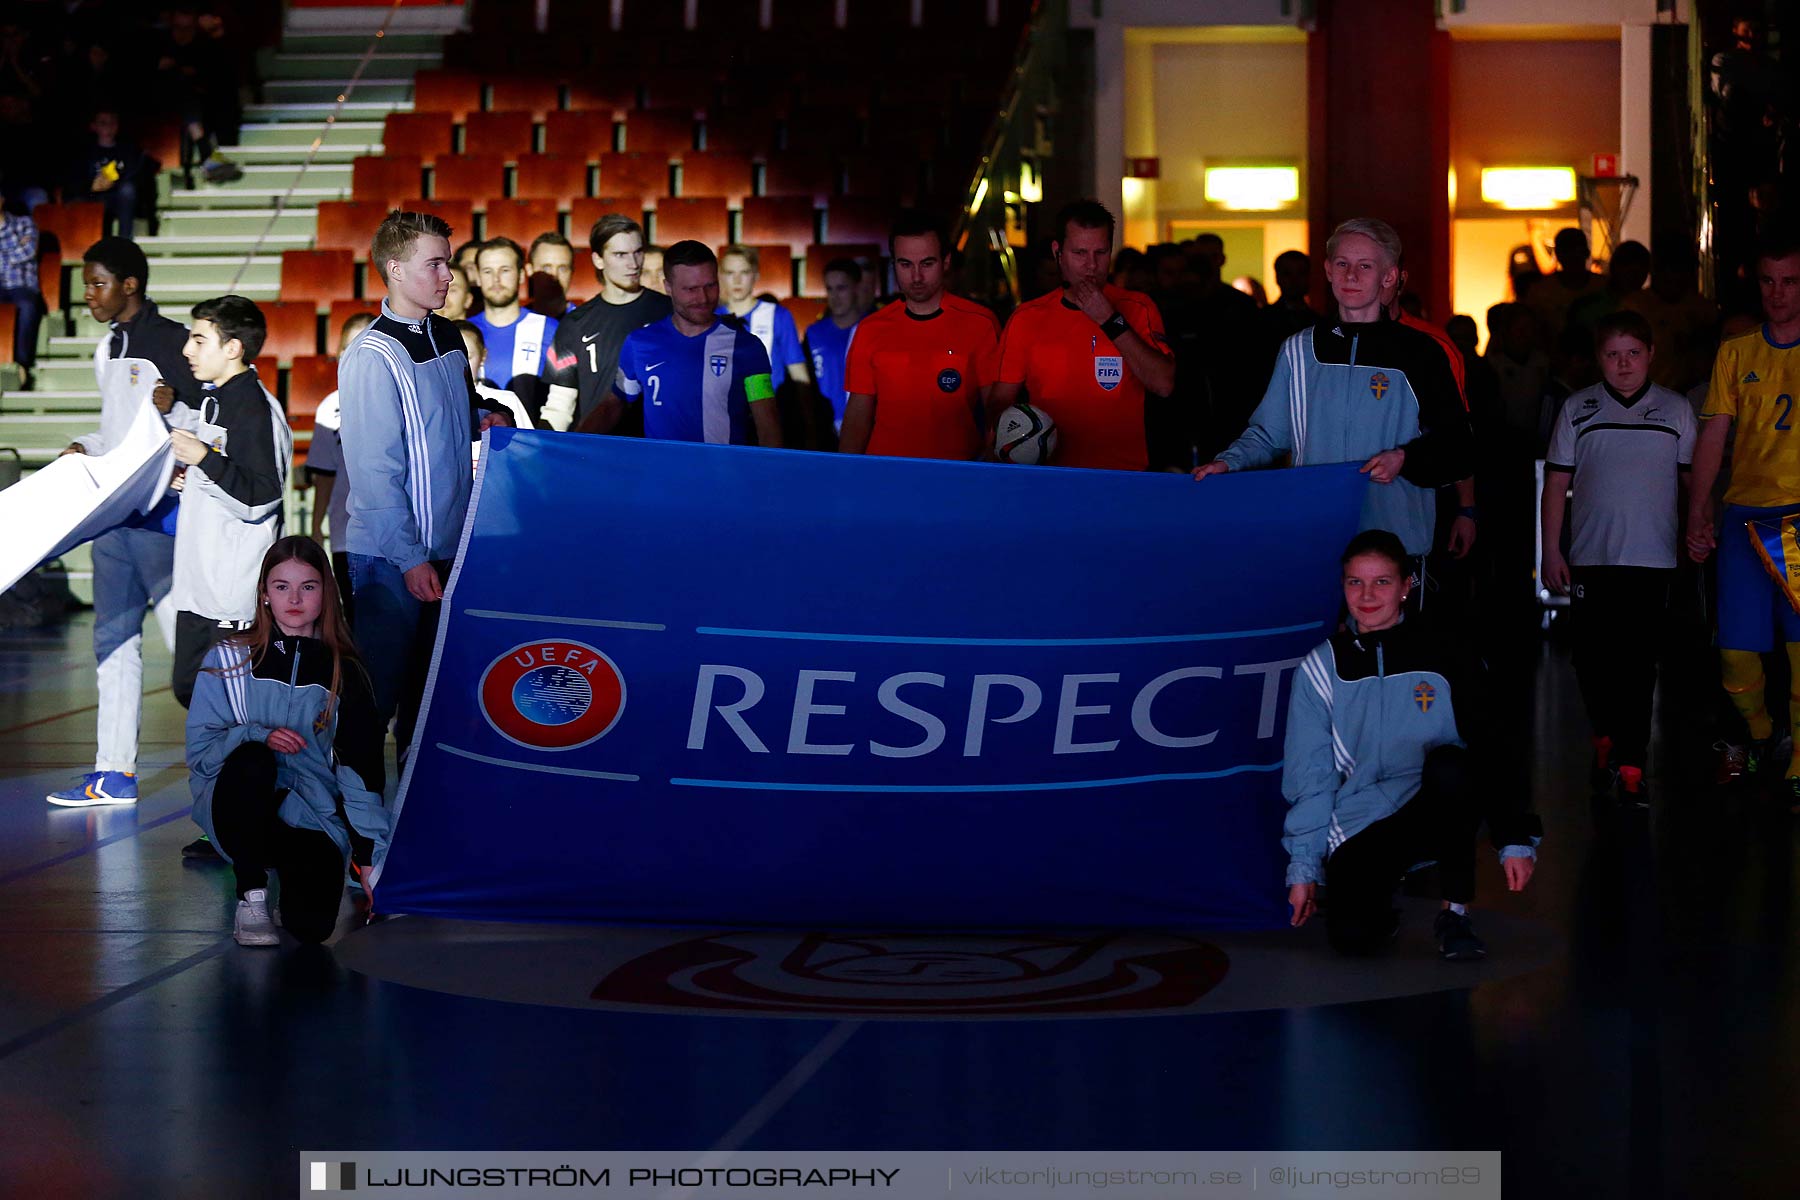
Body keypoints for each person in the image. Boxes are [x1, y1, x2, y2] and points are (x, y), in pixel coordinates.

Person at [1283, 529, 1541, 960]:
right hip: (1364, 818)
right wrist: (1303, 869)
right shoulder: (1320, 667)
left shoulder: (1447, 651)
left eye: (1382, 581)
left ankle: (1454, 913)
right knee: (1353, 940)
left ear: (1406, 587)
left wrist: (1513, 837)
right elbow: (1311, 778)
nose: (1367, 595)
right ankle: (1381, 902)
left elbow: (1494, 744)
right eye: (1355, 582)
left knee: (1450, 765)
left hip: (1438, 805)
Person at [1195, 218, 1473, 564]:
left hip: (1395, 545)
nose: (1351, 275)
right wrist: (1228, 462)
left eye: (1364, 266)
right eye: (1342, 264)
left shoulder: (1421, 353)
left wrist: (1405, 459)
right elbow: (1269, 434)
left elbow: (1459, 446)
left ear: (1389, 277)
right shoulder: (1299, 350)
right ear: (1327, 271)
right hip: (1316, 537)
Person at [338, 210, 510, 756]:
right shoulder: (371, 356)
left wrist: (484, 414)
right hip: (393, 559)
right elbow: (374, 474)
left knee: (430, 700)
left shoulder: (448, 335)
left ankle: (413, 820)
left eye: (448, 263)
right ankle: (355, 825)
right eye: (434, 264)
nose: (448, 276)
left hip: (446, 551)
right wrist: (410, 558)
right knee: (376, 699)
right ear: (394, 269)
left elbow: (455, 414)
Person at [44, 237, 201, 811]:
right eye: (86, 284)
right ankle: (113, 773)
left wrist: (174, 411)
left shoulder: (180, 344)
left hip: (161, 525)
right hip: (112, 521)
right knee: (112, 642)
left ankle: (233, 773)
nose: (88, 295)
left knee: (193, 658)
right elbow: (114, 431)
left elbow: (203, 428)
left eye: (98, 283)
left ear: (130, 285)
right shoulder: (107, 347)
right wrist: (83, 446)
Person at [186, 536, 388, 947]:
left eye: (307, 587)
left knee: (310, 929)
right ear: (264, 594)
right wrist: (257, 735)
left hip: (309, 813)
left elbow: (360, 772)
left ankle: (293, 886)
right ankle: (251, 896)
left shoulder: (346, 672)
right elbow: (202, 758)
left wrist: (370, 861)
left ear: (325, 594)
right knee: (253, 760)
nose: (294, 599)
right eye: (281, 587)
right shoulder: (226, 661)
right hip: (236, 809)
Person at [1540, 311, 1695, 806]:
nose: (1623, 363)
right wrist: (1550, 550)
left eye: (1633, 353)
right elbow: (1556, 484)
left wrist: (1700, 529)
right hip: (1592, 556)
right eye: (1613, 354)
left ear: (1651, 355)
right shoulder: (1577, 408)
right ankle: (1605, 738)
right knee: (1591, 660)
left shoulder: (1675, 410)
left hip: (1653, 560)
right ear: (1598, 358)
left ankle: (1632, 765)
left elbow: (1694, 482)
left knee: (1640, 663)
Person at [1686, 234, 1800, 802]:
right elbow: (1713, 434)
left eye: (1790, 281)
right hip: (1744, 513)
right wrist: (1699, 507)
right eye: (1768, 281)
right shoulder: (1736, 352)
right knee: (1734, 648)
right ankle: (1760, 734)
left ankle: (1799, 760)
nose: (1778, 293)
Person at [166, 296, 293, 710]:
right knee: (191, 690)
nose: (188, 349)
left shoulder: (254, 408)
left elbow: (261, 498)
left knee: (233, 703)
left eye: (199, 340)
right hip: (198, 584)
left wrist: (205, 459)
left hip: (230, 594)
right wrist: (197, 475)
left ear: (233, 348)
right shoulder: (214, 399)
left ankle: (266, 775)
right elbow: (226, 477)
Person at [988, 199, 1174, 470]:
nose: (1091, 265)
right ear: (1058, 252)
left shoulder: (1138, 307)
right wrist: (1017, 441)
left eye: (1100, 253)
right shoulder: (1027, 318)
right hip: (1051, 477)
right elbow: (1000, 401)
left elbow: (1164, 384)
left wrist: (1109, 320)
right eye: (1079, 253)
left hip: (1123, 477)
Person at [839, 210, 1000, 460]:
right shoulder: (871, 329)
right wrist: (845, 475)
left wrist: (988, 470)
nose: (916, 276)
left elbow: (997, 413)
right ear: (893, 266)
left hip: (957, 475)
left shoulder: (980, 324)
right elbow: (857, 416)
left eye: (927, 263)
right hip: (885, 475)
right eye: (905, 264)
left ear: (945, 262)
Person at [591, 240, 781, 448]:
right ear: (668, 287)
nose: (703, 298)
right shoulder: (639, 343)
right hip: (662, 477)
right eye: (691, 289)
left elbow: (767, 424)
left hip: (722, 478)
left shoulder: (747, 347)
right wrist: (569, 444)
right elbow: (614, 402)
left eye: (710, 286)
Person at [543, 214, 671, 433]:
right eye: (620, 255)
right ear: (598, 259)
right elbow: (560, 405)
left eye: (638, 252)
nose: (633, 264)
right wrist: (541, 451)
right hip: (598, 450)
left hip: (657, 447)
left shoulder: (670, 311)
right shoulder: (575, 323)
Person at [296, 310, 376, 610]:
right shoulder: (330, 407)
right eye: (347, 347)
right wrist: (317, 527)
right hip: (347, 534)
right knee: (354, 615)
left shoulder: (402, 399)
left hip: (395, 534)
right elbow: (325, 476)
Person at [468, 236, 558, 422]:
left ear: (522, 274)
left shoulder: (548, 329)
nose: (496, 279)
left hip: (533, 444)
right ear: (477, 276)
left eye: (505, 270)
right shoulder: (464, 332)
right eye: (487, 271)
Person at [717, 244, 808, 387]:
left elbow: (798, 371)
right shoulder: (710, 319)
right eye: (730, 273)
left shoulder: (778, 315)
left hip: (770, 405)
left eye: (744, 272)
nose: (737, 280)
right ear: (720, 276)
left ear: (756, 275)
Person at [803, 257, 863, 437]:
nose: (834, 296)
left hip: (864, 429)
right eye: (829, 289)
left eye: (841, 288)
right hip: (823, 431)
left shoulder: (872, 330)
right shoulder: (814, 332)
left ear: (857, 288)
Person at [63, 109, 146, 237]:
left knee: (128, 190)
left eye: (112, 123)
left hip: (117, 197)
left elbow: (132, 175)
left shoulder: (127, 150)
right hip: (92, 197)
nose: (108, 128)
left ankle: (124, 244)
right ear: (94, 126)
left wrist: (112, 182)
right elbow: (75, 182)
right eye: (103, 123)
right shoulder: (84, 152)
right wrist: (92, 186)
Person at [1523, 228, 1604, 353]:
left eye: (1576, 251)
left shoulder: (1603, 286)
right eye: (1567, 252)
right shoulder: (1540, 291)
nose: (1572, 257)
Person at [456, 320, 533, 429]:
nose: (460, 365)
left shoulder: (507, 401)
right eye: (453, 359)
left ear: (483, 356)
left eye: (468, 358)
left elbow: (525, 442)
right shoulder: (431, 401)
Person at [0, 190, 40, 390]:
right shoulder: (18, 234)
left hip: (21, 285)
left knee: (26, 305)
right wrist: (13, 247)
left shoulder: (23, 223)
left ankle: (22, 363)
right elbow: (17, 252)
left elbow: (28, 251)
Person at [527, 231, 576, 311]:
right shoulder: (514, 320)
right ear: (530, 270)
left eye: (562, 269)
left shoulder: (587, 321)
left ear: (572, 272)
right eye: (546, 268)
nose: (555, 276)